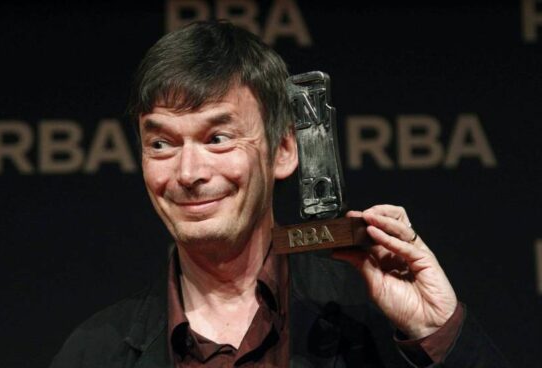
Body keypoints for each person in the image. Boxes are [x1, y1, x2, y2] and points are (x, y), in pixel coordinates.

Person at [50, 20, 509, 367]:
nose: (188, 173)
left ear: (285, 149)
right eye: (162, 144)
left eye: (217, 138)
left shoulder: (371, 321)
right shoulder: (95, 352)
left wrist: (439, 332)